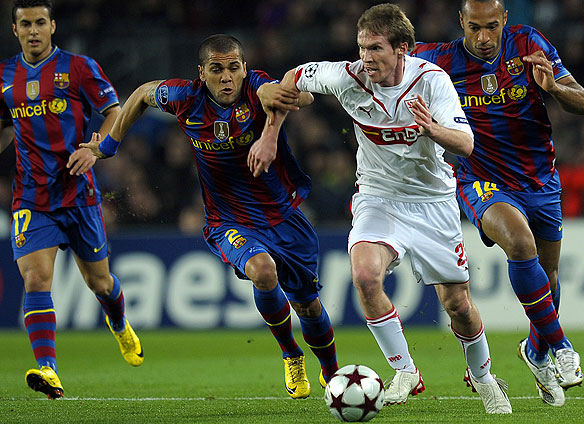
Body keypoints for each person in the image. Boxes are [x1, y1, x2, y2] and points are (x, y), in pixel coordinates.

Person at [254, 3, 511, 414]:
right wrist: (270, 136)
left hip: (432, 202)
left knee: (458, 305)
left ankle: (482, 376)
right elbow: (291, 80)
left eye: (375, 48)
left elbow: (466, 144)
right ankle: (405, 370)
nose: (366, 57)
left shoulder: (431, 81)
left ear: (402, 48)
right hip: (378, 196)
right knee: (364, 276)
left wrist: (432, 129)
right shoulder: (347, 76)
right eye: (362, 47)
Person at [81, 34, 339, 399]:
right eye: (217, 69)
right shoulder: (185, 97)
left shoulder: (258, 87)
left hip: (284, 216)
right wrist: (109, 145)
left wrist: (283, 105)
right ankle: (291, 354)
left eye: (233, 68)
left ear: (245, 68)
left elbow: (297, 95)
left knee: (308, 305)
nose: (226, 77)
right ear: (202, 73)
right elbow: (141, 95)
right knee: (263, 271)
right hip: (228, 221)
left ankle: (332, 372)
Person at [413, 0, 584, 407]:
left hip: (540, 180)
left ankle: (536, 352)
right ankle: (562, 347)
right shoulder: (437, 59)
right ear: (461, 21)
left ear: (505, 20)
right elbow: (385, 57)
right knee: (520, 243)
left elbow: (581, 101)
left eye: (492, 26)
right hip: (482, 181)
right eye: (474, 27)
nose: (484, 37)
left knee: (550, 278)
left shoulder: (528, 43)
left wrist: (554, 88)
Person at [0, 0, 143, 399]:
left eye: (39, 22)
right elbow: (5, 128)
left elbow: (115, 112)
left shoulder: (79, 67)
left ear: (52, 26)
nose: (33, 30)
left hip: (79, 194)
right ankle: (48, 369)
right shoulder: (4, 76)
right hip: (31, 197)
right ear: (14, 30)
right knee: (35, 278)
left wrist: (97, 150)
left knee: (100, 283)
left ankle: (119, 324)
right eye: (25, 24)